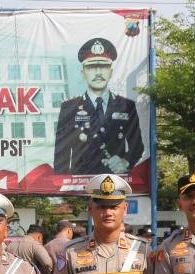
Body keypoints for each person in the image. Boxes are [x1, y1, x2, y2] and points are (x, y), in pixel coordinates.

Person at [54, 37, 143, 175]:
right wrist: (66, 191)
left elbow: (137, 146)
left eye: (103, 66)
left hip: (116, 183)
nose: (98, 72)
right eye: (91, 67)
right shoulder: (69, 108)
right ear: (83, 73)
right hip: (81, 186)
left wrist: (125, 161)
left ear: (111, 72)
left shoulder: (126, 106)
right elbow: (61, 156)